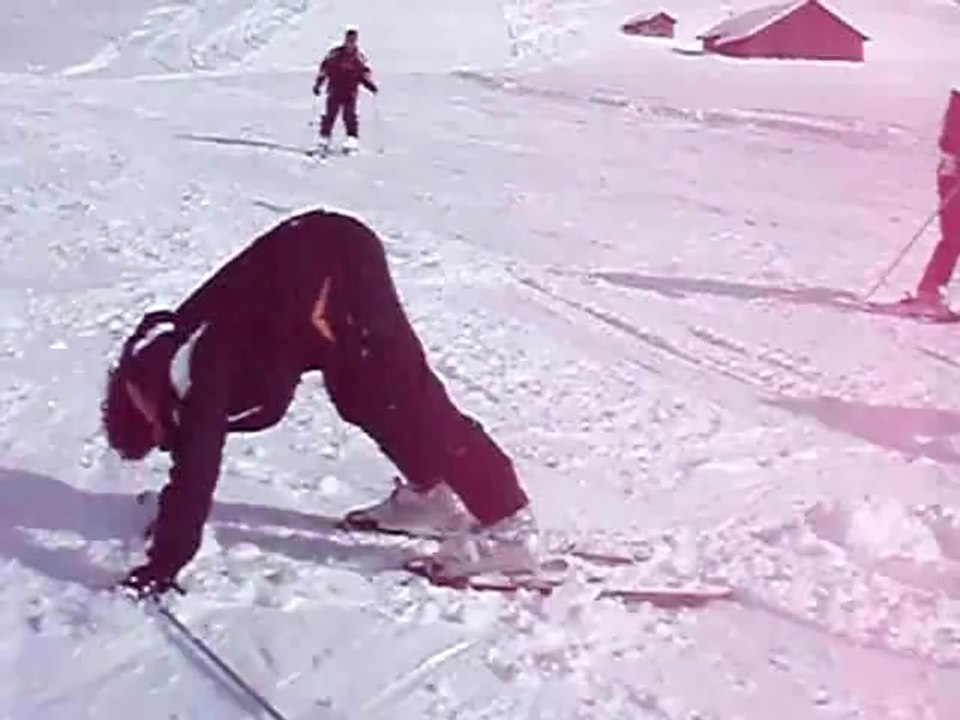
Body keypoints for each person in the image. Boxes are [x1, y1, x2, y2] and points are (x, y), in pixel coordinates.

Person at [103, 209, 537, 600]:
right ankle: (430, 495)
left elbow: (197, 464)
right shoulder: (159, 357)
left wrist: (164, 563)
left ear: (148, 415)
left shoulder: (196, 372)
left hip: (336, 268)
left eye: (159, 439)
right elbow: (195, 440)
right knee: (361, 395)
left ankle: (508, 528)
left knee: (410, 398)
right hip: (311, 269)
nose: (169, 443)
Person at [911, 87, 960, 310]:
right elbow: (951, 141)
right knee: (955, 236)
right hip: (954, 177)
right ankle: (929, 293)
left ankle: (931, 291)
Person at [312, 26, 378, 154]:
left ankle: (351, 140)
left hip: (350, 92)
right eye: (349, 40)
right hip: (335, 89)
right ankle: (324, 139)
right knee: (330, 115)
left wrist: (370, 86)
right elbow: (325, 69)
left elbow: (363, 74)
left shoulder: (359, 57)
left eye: (353, 40)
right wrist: (318, 84)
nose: (350, 43)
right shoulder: (335, 54)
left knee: (350, 116)